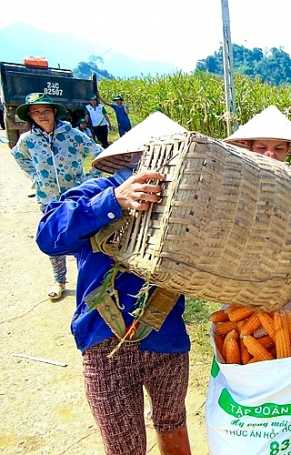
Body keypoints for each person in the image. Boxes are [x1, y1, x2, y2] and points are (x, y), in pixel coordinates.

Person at [35, 114, 192, 455]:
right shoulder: (97, 192)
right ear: (138, 159)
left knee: (173, 424)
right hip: (105, 346)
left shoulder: (188, 204)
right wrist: (114, 202)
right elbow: (48, 236)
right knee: (124, 447)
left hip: (167, 335)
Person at [224, 105, 291, 306]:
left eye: (278, 149)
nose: (270, 154)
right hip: (247, 270)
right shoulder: (240, 183)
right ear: (249, 147)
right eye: (261, 148)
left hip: (288, 269)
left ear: (288, 150)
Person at [10, 93, 102, 300]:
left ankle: (87, 283)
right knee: (54, 242)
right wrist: (34, 175)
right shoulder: (28, 141)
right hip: (48, 200)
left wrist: (88, 180)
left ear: (54, 113)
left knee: (84, 240)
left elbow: (98, 153)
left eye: (46, 111)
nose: (42, 115)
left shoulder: (73, 135)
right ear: (30, 116)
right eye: (36, 112)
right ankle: (59, 281)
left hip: (76, 200)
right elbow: (17, 156)